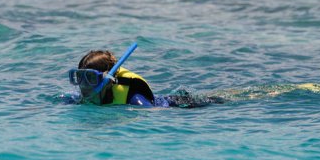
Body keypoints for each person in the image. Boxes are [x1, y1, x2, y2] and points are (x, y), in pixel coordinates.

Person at [69, 50, 224, 107]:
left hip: (176, 104)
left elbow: (152, 114)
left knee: (218, 99)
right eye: (79, 77)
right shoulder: (83, 97)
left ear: (107, 79)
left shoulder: (134, 98)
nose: (83, 85)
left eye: (90, 78)